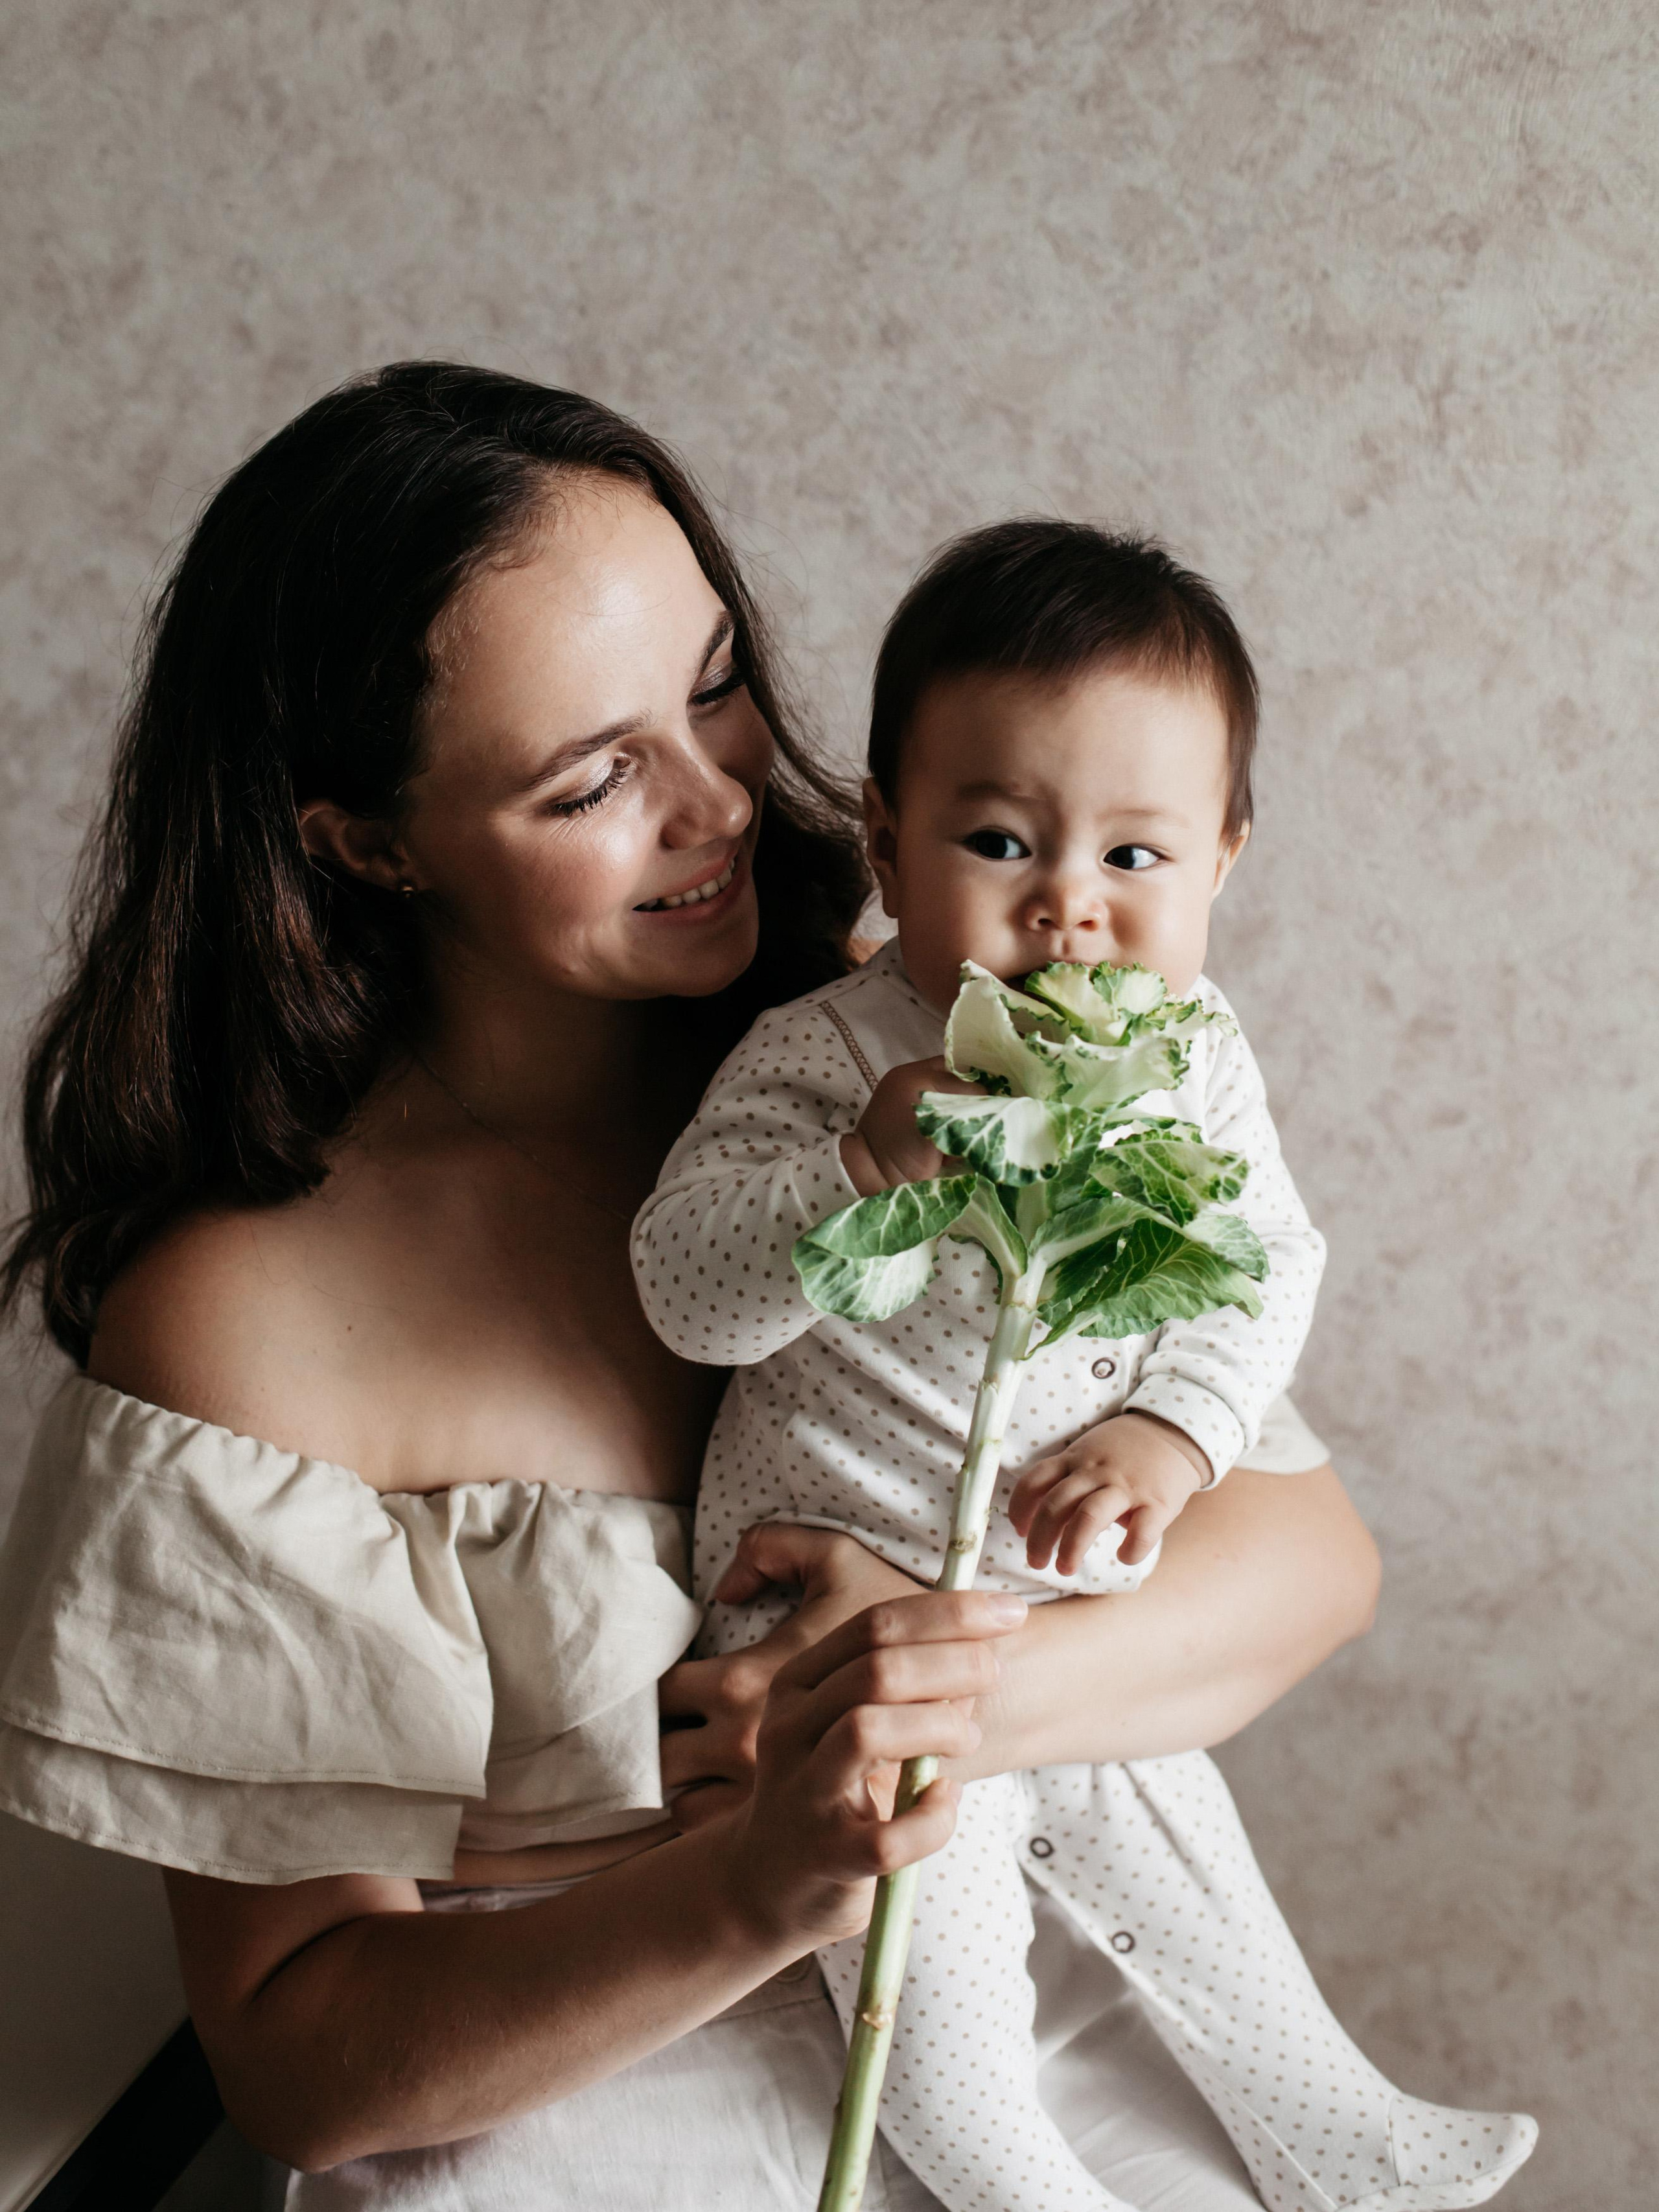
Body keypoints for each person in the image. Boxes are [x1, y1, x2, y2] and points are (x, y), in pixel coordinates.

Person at [0, 363, 1380, 2211]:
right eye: (594, 777)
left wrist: (927, 1686)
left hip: (1064, 2071)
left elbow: (1309, 1568)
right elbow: (304, 2066)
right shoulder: (250, 1320)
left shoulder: (904, 1046)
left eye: (715, 680)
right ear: (363, 839)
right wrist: (752, 1880)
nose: (723, 799)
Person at [633, 522, 1537, 2211]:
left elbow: (1262, 1272)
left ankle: (1326, 2114)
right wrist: (861, 1173)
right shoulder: (828, 1060)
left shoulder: (1192, 1064)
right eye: (998, 839)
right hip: (825, 1596)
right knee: (930, 1898)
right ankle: (999, 2167)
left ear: (1224, 866)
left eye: (1137, 855)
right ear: (891, 856)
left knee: (1174, 1833)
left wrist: (1172, 1440)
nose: (1069, 901)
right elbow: (686, 1294)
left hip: (1042, 1593)